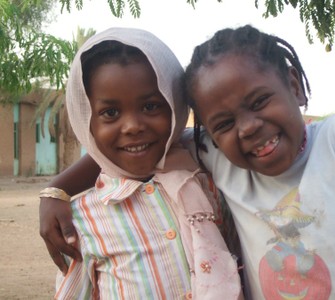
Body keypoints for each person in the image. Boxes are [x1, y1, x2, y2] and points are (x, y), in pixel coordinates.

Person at [40, 25, 335, 299]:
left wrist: (55, 188)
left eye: (259, 101)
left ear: (295, 85)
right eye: (224, 124)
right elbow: (137, 147)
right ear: (209, 131)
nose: (247, 128)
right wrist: (55, 190)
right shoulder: (220, 157)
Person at [44, 27, 243, 299]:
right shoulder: (81, 221)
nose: (133, 126)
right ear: (86, 120)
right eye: (110, 112)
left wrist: (57, 187)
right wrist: (54, 191)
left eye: (150, 106)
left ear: (175, 104)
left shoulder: (209, 178)